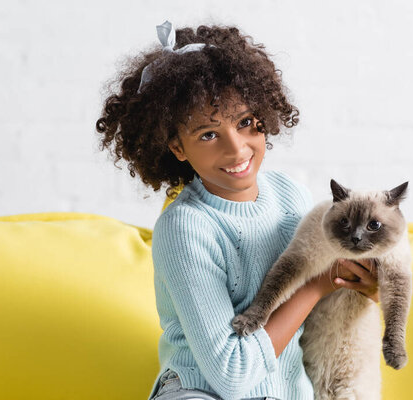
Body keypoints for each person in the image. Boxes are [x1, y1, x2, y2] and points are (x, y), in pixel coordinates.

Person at [96, 20, 379, 400]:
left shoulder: (291, 196)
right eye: (208, 135)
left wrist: (364, 288)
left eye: (246, 122)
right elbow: (232, 375)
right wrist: (316, 284)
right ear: (178, 148)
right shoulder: (185, 228)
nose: (236, 149)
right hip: (201, 391)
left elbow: (322, 310)